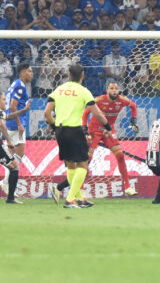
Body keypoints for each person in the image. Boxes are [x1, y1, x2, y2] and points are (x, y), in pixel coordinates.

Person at [52, 82, 139, 199]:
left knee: (120, 156)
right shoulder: (99, 100)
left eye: (116, 89)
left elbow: (133, 106)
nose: (114, 90)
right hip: (94, 130)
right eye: (111, 88)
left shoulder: (122, 100)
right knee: (86, 162)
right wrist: (84, 128)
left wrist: (133, 120)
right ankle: (76, 191)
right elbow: (86, 112)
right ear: (107, 91)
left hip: (109, 130)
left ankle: (128, 187)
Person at [44, 64, 111, 209]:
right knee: (83, 165)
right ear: (82, 75)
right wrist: (108, 127)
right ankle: (69, 200)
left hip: (60, 131)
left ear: (68, 74)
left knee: (70, 164)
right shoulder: (83, 91)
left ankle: (80, 198)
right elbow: (97, 113)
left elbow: (47, 113)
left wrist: (54, 126)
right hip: (75, 130)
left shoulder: (59, 90)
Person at [0, 63, 34, 197]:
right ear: (23, 72)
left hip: (9, 122)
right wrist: (19, 124)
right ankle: (6, 182)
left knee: (15, 155)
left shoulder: (15, 84)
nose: (32, 74)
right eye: (30, 71)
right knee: (17, 155)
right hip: (14, 123)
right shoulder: (20, 86)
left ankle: (7, 182)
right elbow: (13, 106)